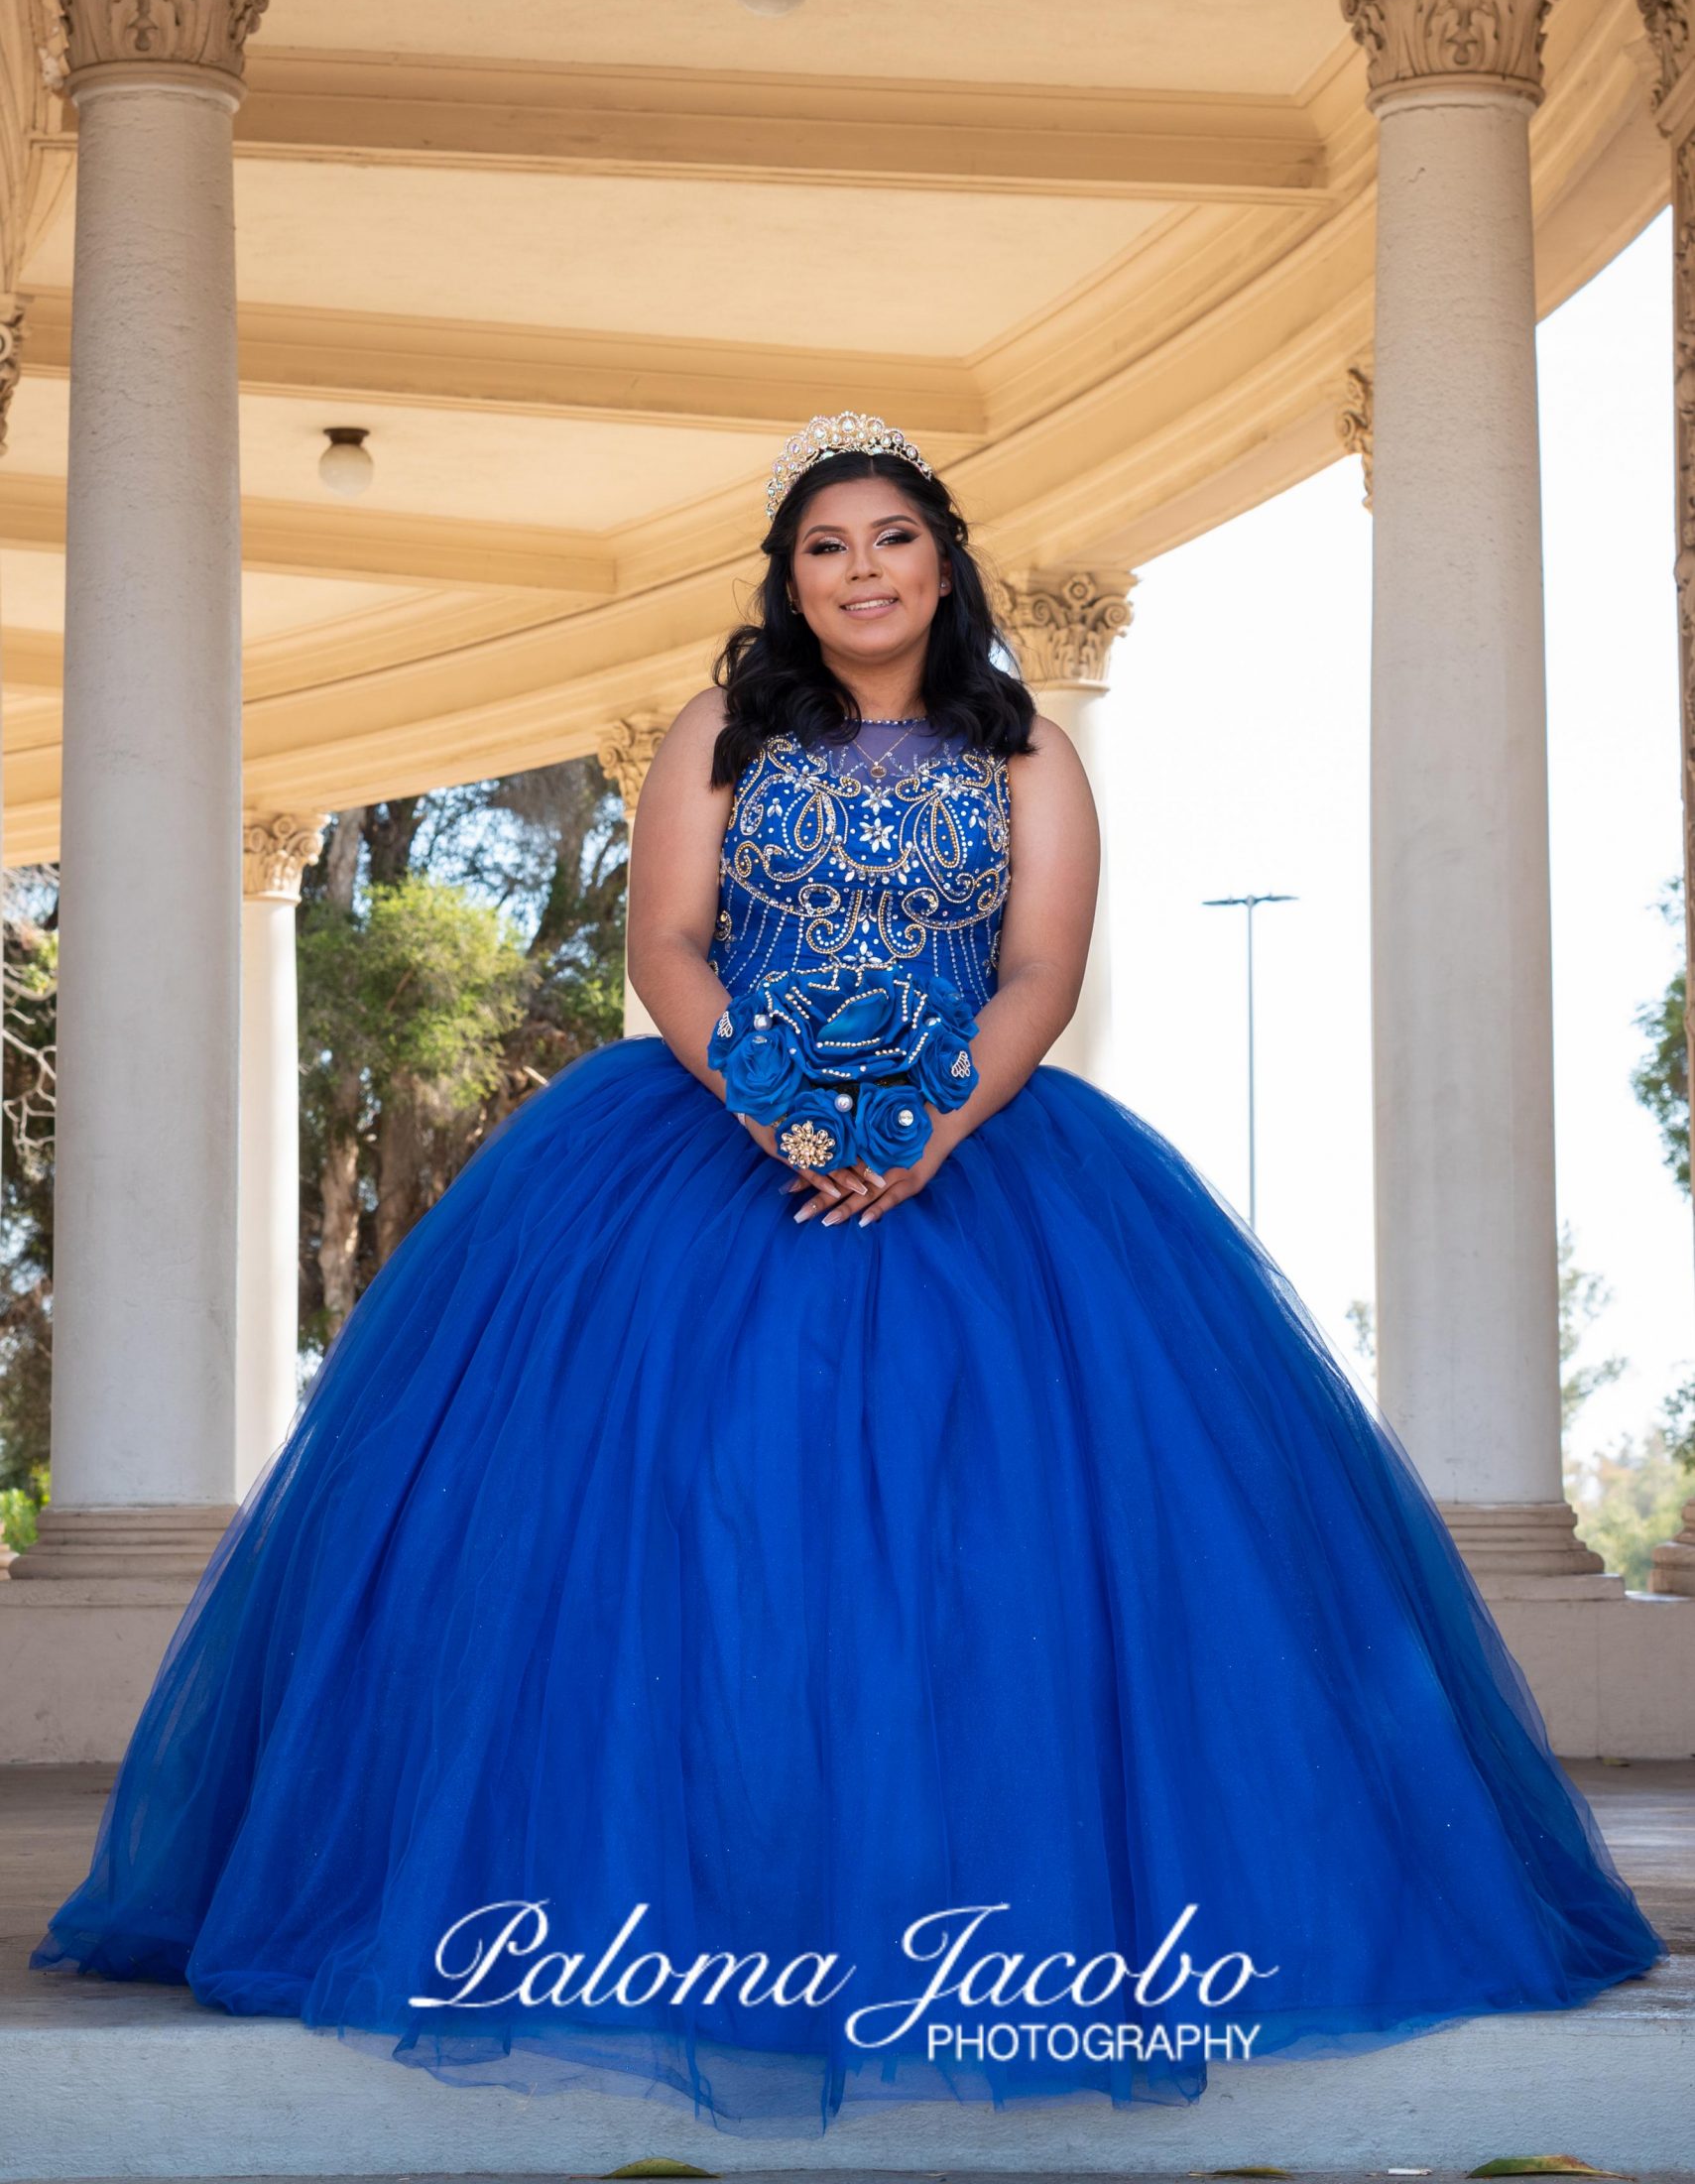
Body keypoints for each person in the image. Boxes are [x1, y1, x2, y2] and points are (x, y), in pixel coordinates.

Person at [31, 412, 1665, 2135]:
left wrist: (930, 1129)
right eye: (825, 547)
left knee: (999, 1538)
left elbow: (1037, 968)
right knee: (682, 1515)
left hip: (981, 1158)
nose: (860, 570)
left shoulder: (1027, 750)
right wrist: (779, 1107)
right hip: (703, 1146)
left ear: (942, 562)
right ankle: (674, 1909)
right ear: (788, 581)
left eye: (889, 539)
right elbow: (664, 940)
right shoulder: (723, 732)